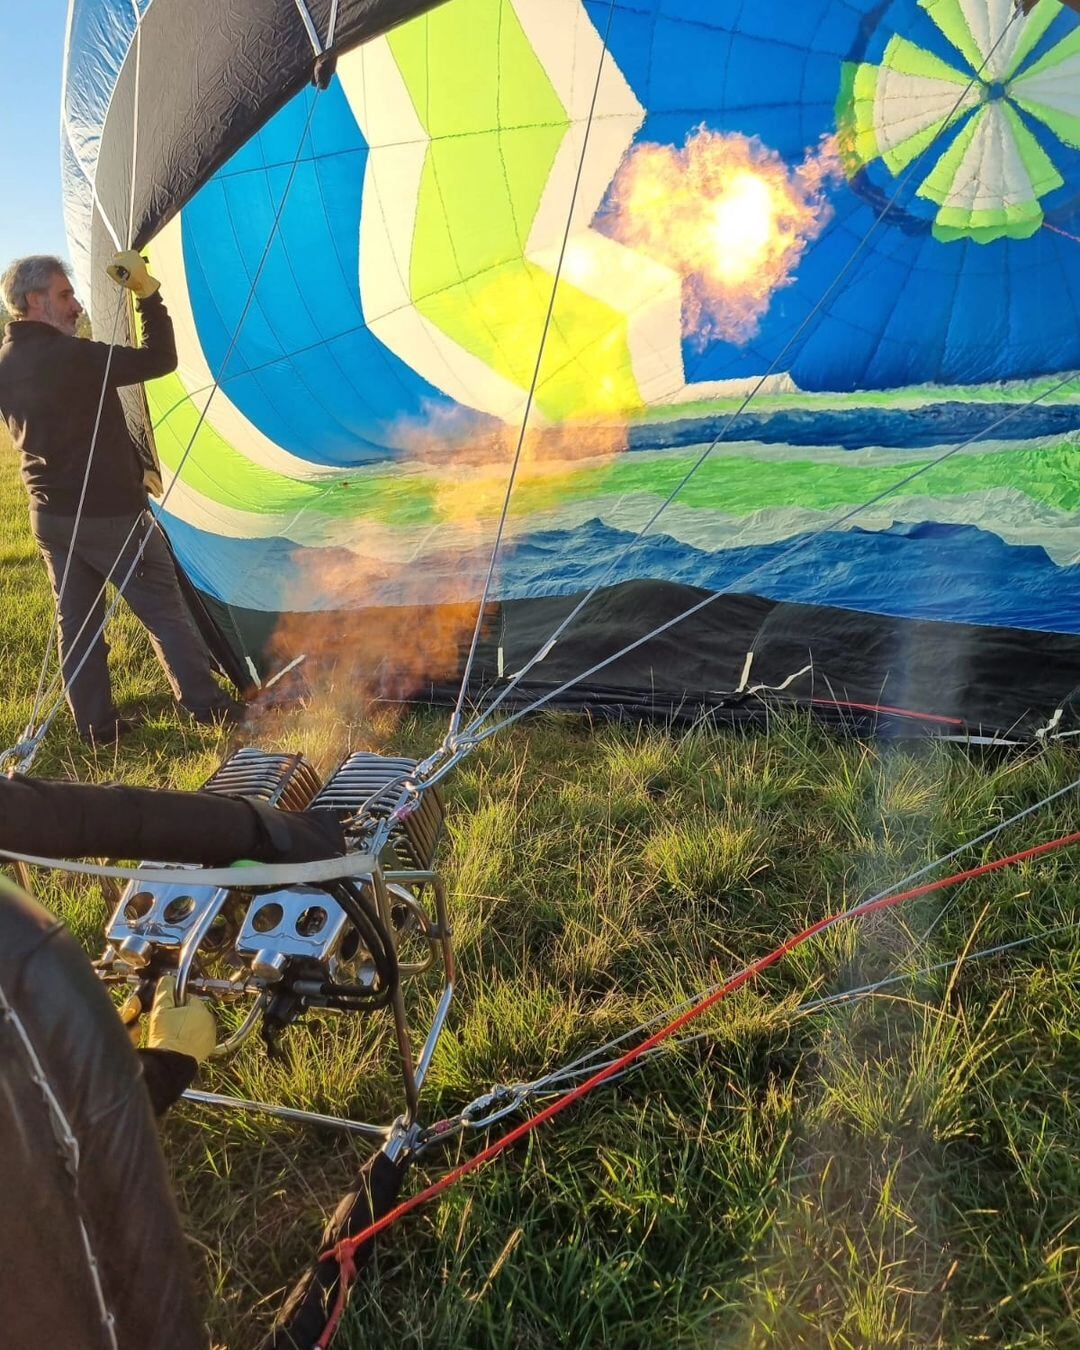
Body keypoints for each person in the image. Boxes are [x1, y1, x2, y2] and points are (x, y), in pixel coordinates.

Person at [0, 251, 243, 744]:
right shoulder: (75, 356)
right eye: (65, 295)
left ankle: (96, 727)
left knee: (79, 626)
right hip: (110, 515)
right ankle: (208, 707)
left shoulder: (5, 361)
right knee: (165, 611)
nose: (76, 306)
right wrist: (148, 295)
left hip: (48, 517)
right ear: (34, 301)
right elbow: (161, 358)